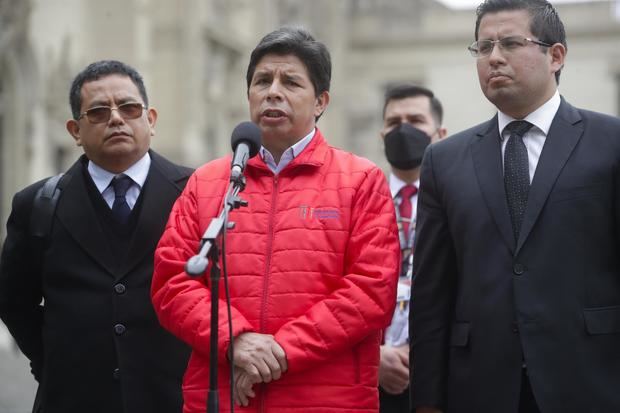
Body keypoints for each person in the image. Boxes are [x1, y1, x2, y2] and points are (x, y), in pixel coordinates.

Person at [151, 27, 400, 413]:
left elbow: (371, 291)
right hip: (223, 398)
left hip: (326, 400)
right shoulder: (207, 183)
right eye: (262, 81)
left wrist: (279, 351)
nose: (273, 91)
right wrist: (235, 340)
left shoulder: (360, 180)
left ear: (320, 101)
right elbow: (172, 282)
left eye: (291, 82)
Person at [410, 0, 620, 412]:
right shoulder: (444, 160)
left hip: (592, 381)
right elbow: (432, 295)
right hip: (480, 388)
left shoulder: (610, 143)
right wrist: (427, 401)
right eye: (483, 47)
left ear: (555, 55)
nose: (494, 58)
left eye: (509, 43)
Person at [0, 60, 192, 413]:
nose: (116, 118)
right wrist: (54, 360)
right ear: (75, 130)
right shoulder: (37, 204)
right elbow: (13, 301)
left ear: (150, 119)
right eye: (99, 111)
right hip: (71, 398)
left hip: (174, 399)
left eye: (129, 108)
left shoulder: (197, 194)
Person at [378, 85, 446, 413]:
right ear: (382, 134)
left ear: (440, 133)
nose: (403, 129)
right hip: (368, 377)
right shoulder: (361, 199)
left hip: (440, 377)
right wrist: (372, 357)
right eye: (394, 122)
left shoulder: (458, 201)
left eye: (416, 120)